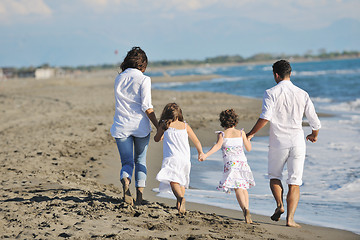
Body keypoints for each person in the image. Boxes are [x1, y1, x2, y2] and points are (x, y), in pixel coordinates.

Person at [247, 60, 321, 227]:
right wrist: (314, 135)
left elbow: (265, 117)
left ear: (276, 74)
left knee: (274, 176)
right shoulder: (303, 93)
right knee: (294, 181)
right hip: (297, 141)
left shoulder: (271, 92)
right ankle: (290, 219)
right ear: (290, 73)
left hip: (278, 141)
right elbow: (314, 121)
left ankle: (279, 205)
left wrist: (251, 134)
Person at [110, 47, 158, 206]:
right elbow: (147, 107)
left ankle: (125, 181)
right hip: (140, 127)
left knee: (127, 163)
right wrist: (158, 126)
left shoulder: (119, 78)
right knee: (140, 161)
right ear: (143, 65)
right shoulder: (144, 79)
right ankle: (139, 197)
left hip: (121, 126)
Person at [199, 109, 255, 223]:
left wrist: (205, 155)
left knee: (237, 187)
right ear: (235, 121)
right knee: (243, 187)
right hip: (242, 163)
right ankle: (247, 208)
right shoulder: (241, 133)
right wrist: (248, 139)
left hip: (230, 163)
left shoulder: (223, 134)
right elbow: (249, 148)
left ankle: (244, 209)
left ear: (222, 122)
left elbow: (217, 146)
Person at [154, 103, 203, 214]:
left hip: (172, 158)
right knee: (182, 181)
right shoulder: (185, 126)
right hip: (185, 159)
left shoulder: (164, 125)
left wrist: (160, 134)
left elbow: (157, 139)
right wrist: (200, 153)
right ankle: (179, 205)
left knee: (173, 181)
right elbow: (197, 141)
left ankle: (180, 198)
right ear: (179, 114)